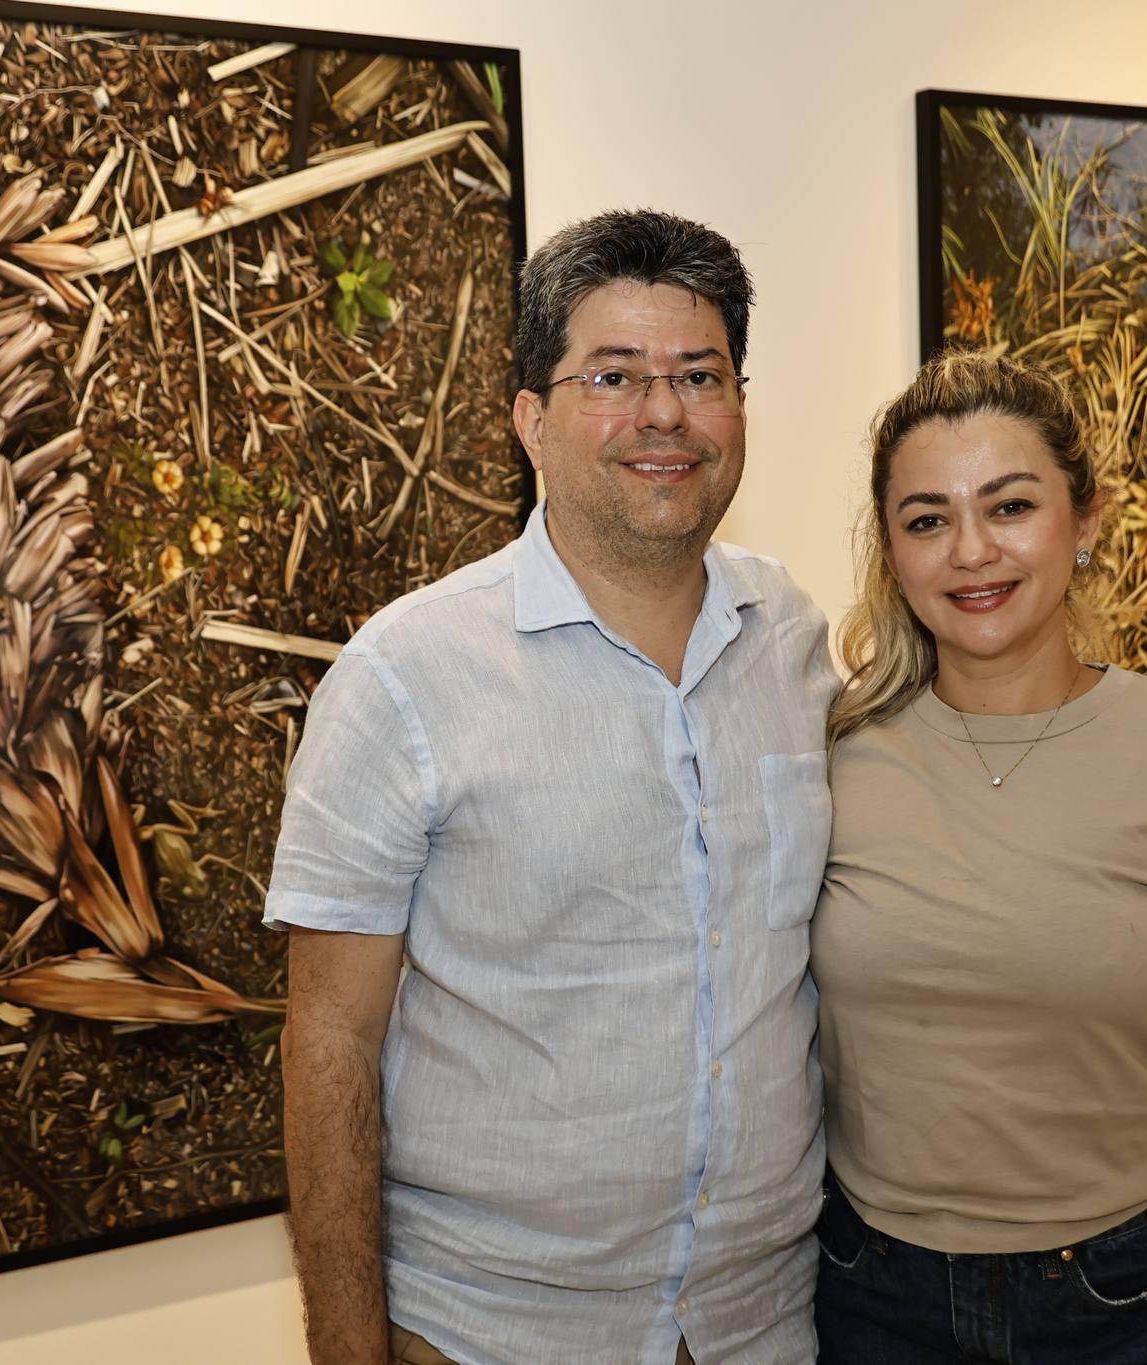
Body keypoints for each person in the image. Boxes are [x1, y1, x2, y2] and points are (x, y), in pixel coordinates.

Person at [265, 210, 838, 1365]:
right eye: (612, 377)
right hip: (494, 1331)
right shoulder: (404, 676)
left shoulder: (793, 640)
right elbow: (328, 1039)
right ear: (529, 419)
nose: (663, 414)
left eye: (699, 375)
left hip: (766, 1323)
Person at [813, 350, 1147, 1364]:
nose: (971, 551)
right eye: (927, 520)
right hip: (877, 1298)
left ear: (1085, 520)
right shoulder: (826, 757)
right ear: (892, 552)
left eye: (1009, 507)